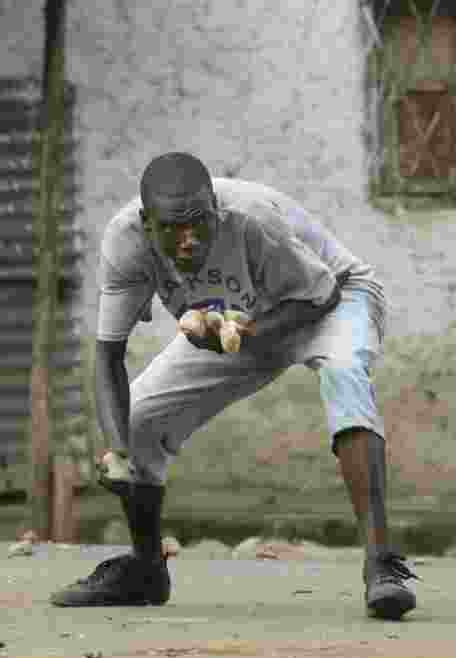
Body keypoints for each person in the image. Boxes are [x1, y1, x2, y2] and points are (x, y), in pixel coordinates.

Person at [50, 152, 418, 620]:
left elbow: (320, 294)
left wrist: (247, 333)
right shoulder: (125, 244)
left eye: (200, 224)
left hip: (332, 297)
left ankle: (381, 564)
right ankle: (145, 569)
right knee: (138, 417)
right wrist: (116, 452)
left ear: (216, 211)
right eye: (172, 229)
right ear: (147, 223)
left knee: (343, 372)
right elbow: (108, 355)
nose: (188, 241)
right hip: (238, 320)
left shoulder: (251, 219)